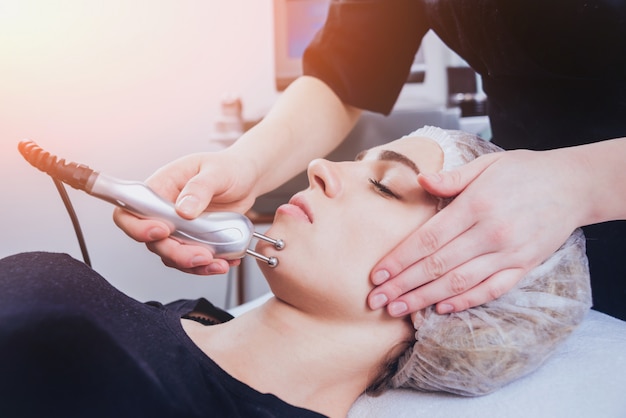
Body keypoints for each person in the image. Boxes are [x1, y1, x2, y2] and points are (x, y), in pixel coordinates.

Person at [0, 129, 591, 417]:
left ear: (457, 293)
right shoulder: (195, 318)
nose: (319, 167)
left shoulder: (106, 382)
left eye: (384, 185)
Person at [113, 1, 626, 321]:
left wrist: (580, 182)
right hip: (506, 229)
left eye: (384, 185)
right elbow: (344, 72)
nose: (319, 168)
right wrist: (247, 163)